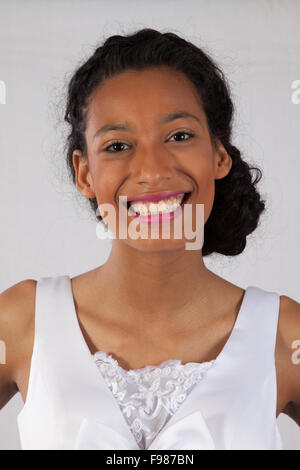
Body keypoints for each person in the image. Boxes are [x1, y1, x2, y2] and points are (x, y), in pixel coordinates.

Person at [0, 28, 299, 450]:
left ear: (219, 154)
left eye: (179, 136)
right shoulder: (20, 323)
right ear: (84, 172)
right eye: (119, 145)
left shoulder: (284, 336)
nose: (152, 170)